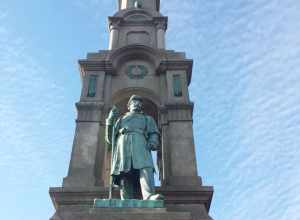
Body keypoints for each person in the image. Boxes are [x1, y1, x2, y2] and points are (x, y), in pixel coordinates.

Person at [105, 95, 163, 200]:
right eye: (134, 102)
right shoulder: (121, 119)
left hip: (140, 142)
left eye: (139, 103)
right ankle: (126, 198)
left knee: (146, 167)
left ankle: (149, 195)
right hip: (123, 144)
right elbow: (110, 138)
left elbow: (153, 132)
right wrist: (110, 120)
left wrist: (153, 141)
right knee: (124, 171)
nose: (136, 104)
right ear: (128, 106)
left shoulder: (147, 119)